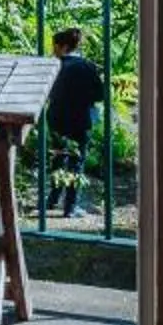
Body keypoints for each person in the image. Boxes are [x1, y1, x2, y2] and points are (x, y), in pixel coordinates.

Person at [46, 27, 105, 218]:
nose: (53, 49)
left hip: (56, 118)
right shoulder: (87, 66)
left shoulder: (54, 66)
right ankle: (69, 208)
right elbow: (100, 94)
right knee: (76, 162)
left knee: (57, 159)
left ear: (62, 46)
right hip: (80, 119)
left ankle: (52, 200)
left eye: (55, 46)